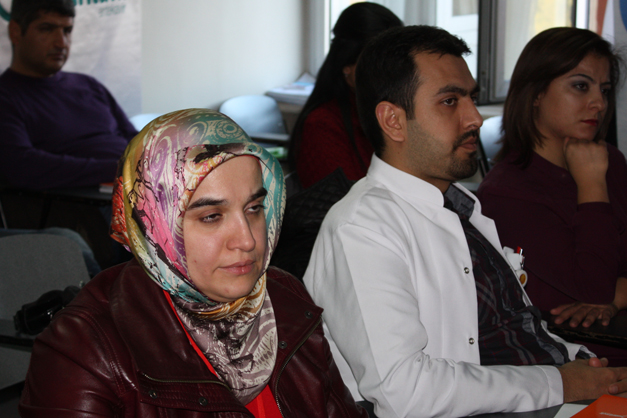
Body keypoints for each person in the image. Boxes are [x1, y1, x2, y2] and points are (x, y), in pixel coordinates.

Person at [302, 25, 627, 417]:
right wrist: (563, 382)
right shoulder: (362, 228)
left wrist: (584, 371)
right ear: (393, 121)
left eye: (471, 98)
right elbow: (404, 392)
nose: (475, 118)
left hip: (552, 389)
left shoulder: (459, 206)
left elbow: (523, 330)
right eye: (449, 101)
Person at [19, 109, 368, 417]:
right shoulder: (84, 352)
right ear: (154, 224)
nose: (247, 240)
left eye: (254, 208)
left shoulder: (282, 294)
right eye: (211, 216)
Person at [476, 28, 627, 365]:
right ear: (536, 93)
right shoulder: (507, 193)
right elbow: (595, 290)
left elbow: (604, 295)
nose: (599, 103)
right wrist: (592, 188)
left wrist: (618, 298)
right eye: (581, 86)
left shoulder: (610, 160)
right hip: (583, 364)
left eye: (604, 90)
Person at [0, 0, 138, 190]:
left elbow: (135, 138)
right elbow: (22, 166)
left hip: (140, 185)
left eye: (67, 31)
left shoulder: (89, 85)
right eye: (46, 29)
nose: (61, 43)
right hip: (84, 199)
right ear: (15, 32)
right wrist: (120, 169)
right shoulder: (6, 97)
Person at [288, 2, 402, 189]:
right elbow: (346, 200)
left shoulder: (387, 110)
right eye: (378, 63)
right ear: (347, 65)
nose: (390, 73)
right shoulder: (322, 125)